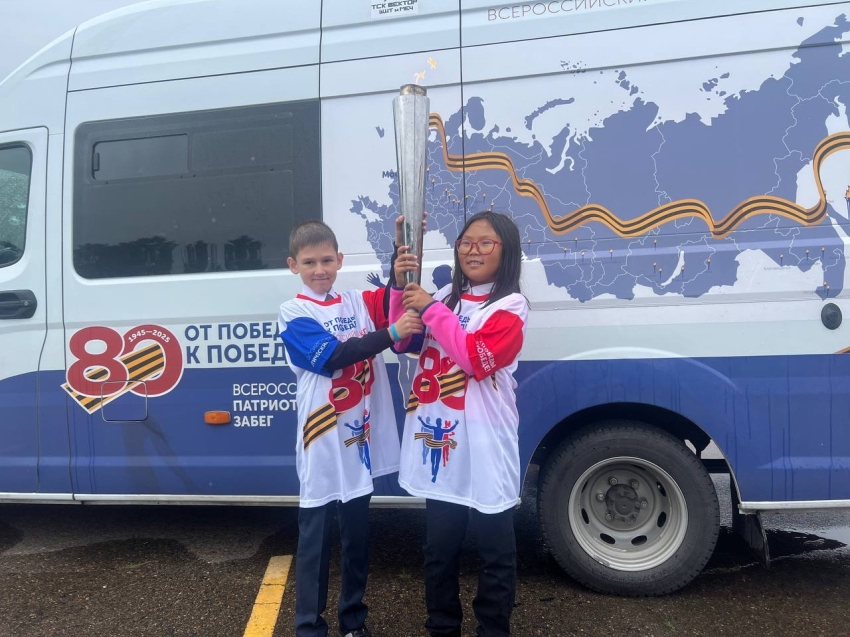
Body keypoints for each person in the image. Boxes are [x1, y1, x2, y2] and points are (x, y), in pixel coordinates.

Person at [278, 220, 423, 637]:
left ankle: (353, 621)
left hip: (358, 438)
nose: (319, 269)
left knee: (357, 538)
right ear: (293, 265)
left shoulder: (357, 301)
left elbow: (393, 299)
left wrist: (400, 260)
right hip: (322, 438)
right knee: (316, 540)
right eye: (309, 262)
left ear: (340, 260)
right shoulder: (293, 312)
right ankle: (309, 627)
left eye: (326, 260)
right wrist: (390, 334)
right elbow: (334, 356)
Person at [390, 211, 528, 637]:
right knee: (439, 550)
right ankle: (442, 627)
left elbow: (473, 358)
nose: (473, 250)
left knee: (495, 551)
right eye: (466, 242)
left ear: (506, 250)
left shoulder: (511, 306)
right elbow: (405, 340)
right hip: (442, 441)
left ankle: (493, 629)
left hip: (487, 443)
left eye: (485, 243)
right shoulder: (447, 295)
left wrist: (431, 308)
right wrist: (399, 283)